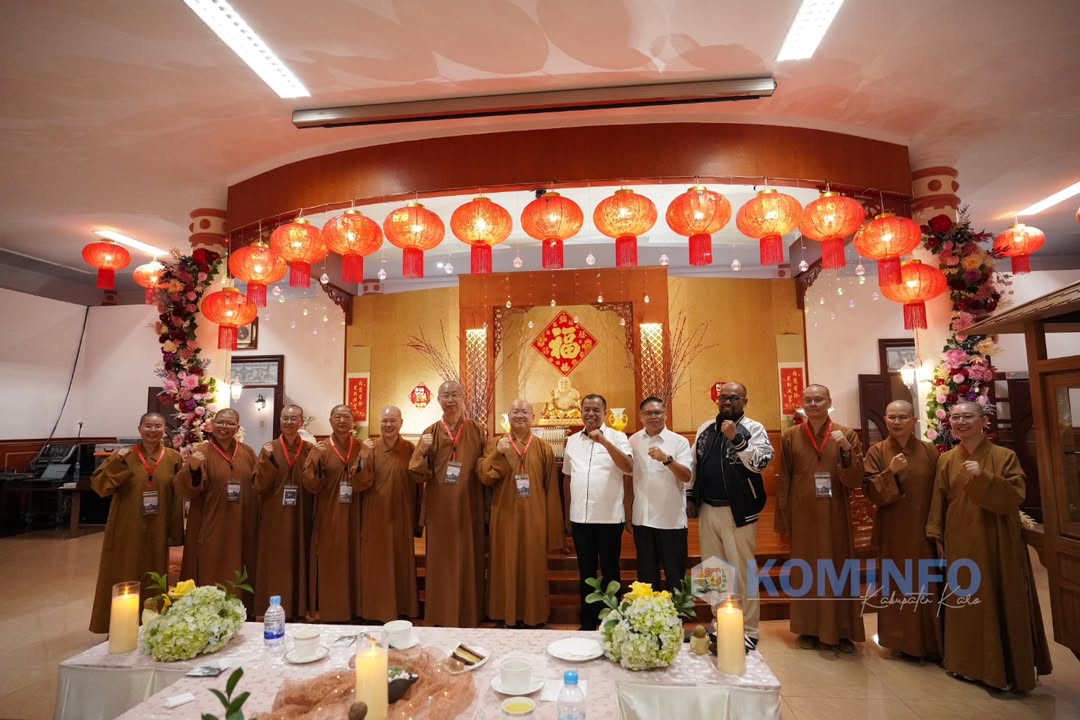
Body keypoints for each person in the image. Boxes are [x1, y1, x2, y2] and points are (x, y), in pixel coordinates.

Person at [926, 401, 1052, 692]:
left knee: (998, 598)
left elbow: (1014, 496)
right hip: (959, 539)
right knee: (965, 602)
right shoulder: (946, 460)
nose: (960, 422)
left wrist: (984, 477)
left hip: (996, 541)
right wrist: (937, 536)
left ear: (983, 421)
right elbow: (938, 502)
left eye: (968, 416)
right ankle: (964, 664)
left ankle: (1002, 669)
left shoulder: (1004, 456)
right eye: (955, 417)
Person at [776, 384, 865, 652]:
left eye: (819, 399)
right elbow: (785, 481)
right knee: (806, 569)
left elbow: (855, 479)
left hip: (835, 512)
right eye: (808, 400)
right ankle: (808, 629)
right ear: (802, 404)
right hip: (803, 513)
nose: (813, 403)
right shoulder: (791, 436)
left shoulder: (845, 434)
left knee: (838, 566)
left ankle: (843, 630)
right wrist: (784, 520)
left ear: (829, 402)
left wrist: (847, 451)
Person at [690, 382, 773, 646]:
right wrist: (691, 496)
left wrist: (737, 438)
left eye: (733, 398)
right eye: (723, 397)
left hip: (738, 511)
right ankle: (719, 623)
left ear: (744, 402)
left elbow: (760, 464)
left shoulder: (755, 428)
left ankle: (748, 630)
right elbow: (695, 464)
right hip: (707, 509)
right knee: (713, 570)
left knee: (742, 571)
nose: (727, 402)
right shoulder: (705, 429)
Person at [88, 413, 184, 633]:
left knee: (155, 572)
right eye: (148, 426)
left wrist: (175, 532)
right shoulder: (125, 455)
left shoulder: (173, 457)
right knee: (124, 569)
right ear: (139, 428)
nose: (153, 431)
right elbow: (100, 486)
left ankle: (152, 623)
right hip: (126, 524)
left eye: (158, 426)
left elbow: (178, 496)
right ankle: (120, 624)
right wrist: (115, 462)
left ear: (164, 430)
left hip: (158, 525)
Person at [863, 400, 941, 660]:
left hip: (923, 530)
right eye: (892, 417)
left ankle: (929, 641)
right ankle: (900, 641)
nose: (897, 422)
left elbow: (941, 492)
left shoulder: (930, 452)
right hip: (893, 530)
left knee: (927, 584)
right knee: (897, 584)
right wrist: (890, 472)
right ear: (885, 420)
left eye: (903, 417)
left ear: (914, 421)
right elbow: (871, 492)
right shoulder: (876, 451)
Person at [409, 380, 486, 627]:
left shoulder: (477, 430)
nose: (450, 400)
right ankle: (440, 614)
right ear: (438, 400)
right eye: (445, 395)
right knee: (440, 561)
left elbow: (485, 467)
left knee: (469, 557)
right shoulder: (430, 432)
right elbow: (416, 471)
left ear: (464, 397)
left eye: (455, 395)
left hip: (469, 504)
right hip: (440, 507)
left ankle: (470, 613)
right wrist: (421, 451)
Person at [480, 399, 563, 627]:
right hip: (504, 515)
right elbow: (485, 478)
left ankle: (533, 615)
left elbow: (551, 491)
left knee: (533, 566)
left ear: (532, 417)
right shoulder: (495, 444)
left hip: (534, 517)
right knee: (503, 564)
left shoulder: (544, 448)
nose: (519, 415)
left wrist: (553, 530)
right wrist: (497, 454)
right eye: (515, 411)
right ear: (508, 416)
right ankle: (503, 614)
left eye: (524, 412)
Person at [563, 393, 634, 631]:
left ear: (604, 413)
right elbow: (568, 478)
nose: (591, 413)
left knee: (611, 570)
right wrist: (567, 516)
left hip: (609, 517)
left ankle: (612, 620)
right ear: (580, 412)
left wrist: (604, 441)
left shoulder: (618, 437)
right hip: (580, 518)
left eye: (596, 410)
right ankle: (588, 620)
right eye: (586, 409)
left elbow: (628, 467)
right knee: (586, 570)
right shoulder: (572, 440)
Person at [177, 408, 259, 604]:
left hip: (241, 521)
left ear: (237, 427)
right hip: (212, 522)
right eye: (221, 422)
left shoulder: (247, 452)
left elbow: (258, 483)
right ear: (212, 425)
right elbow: (187, 488)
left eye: (231, 423)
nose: (225, 427)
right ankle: (210, 609)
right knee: (211, 563)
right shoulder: (201, 452)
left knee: (242, 562)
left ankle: (242, 608)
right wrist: (194, 469)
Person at [355, 406, 420, 623]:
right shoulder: (371, 448)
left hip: (402, 515)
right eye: (384, 421)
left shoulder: (410, 448)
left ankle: (403, 608)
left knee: (401, 562)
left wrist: (417, 519)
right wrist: (363, 455)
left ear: (401, 423)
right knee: (377, 564)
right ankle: (375, 611)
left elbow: (419, 484)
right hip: (376, 516)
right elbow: (359, 483)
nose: (388, 425)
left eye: (393, 420)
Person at [302, 404, 364, 622]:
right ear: (330, 421)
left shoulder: (360, 446)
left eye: (346, 417)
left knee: (356, 557)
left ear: (352, 422)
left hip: (357, 512)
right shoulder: (320, 448)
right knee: (331, 557)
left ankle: (356, 607)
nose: (342, 421)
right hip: (329, 511)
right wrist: (316, 459)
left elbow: (368, 479)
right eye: (337, 417)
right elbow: (310, 483)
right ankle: (330, 606)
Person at [252, 404, 314, 620]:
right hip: (275, 514)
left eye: (293, 418)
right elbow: (258, 485)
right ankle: (274, 607)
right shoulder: (269, 448)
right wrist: (267, 461)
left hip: (301, 512)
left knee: (300, 555)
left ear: (301, 422)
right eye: (285, 418)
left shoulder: (308, 449)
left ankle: (299, 607)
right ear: (280, 420)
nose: (289, 422)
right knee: (276, 559)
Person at [629, 396, 694, 592]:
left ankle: (677, 620)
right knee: (647, 579)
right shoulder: (633, 440)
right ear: (641, 416)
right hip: (643, 519)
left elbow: (686, 476)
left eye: (658, 413)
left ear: (665, 414)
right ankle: (650, 620)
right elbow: (626, 475)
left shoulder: (679, 441)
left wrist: (667, 459)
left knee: (676, 576)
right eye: (648, 413)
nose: (654, 417)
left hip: (671, 520)